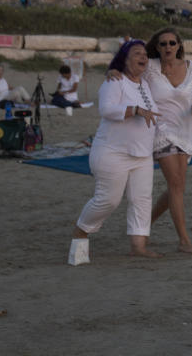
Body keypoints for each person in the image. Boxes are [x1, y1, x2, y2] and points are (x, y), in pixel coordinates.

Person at [106, 27, 192, 253]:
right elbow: (128, 67)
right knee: (175, 185)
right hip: (159, 130)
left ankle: (146, 224)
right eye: (163, 44)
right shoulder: (150, 67)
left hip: (186, 131)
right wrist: (113, 70)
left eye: (172, 43)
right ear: (157, 47)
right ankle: (184, 241)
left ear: (179, 45)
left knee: (178, 187)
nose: (168, 47)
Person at [68, 40, 161, 264]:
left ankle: (138, 246)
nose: (143, 57)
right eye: (136, 53)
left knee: (141, 199)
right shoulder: (115, 80)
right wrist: (136, 110)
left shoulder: (146, 83)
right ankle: (82, 229)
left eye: (144, 54)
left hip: (142, 155)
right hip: (112, 152)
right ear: (124, 60)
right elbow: (106, 109)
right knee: (108, 200)